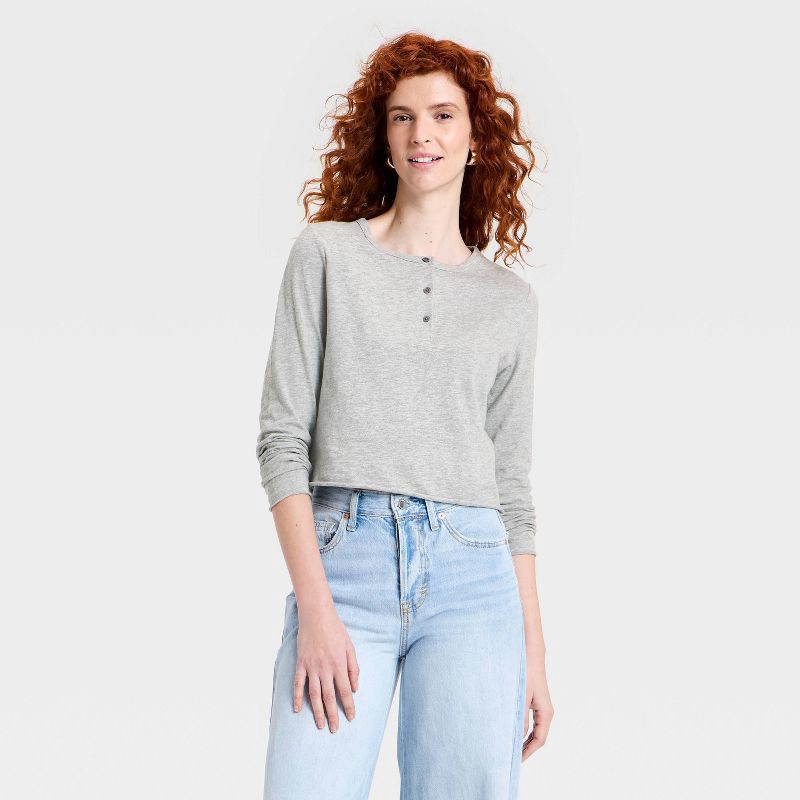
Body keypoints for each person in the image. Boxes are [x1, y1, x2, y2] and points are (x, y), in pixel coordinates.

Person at [256, 31, 554, 800]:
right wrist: (316, 612)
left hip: (474, 578)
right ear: (384, 140)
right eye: (403, 117)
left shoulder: (509, 304)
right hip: (344, 565)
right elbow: (282, 444)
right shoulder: (326, 257)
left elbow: (512, 488)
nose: (423, 133)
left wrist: (533, 653)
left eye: (443, 115)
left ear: (476, 138)